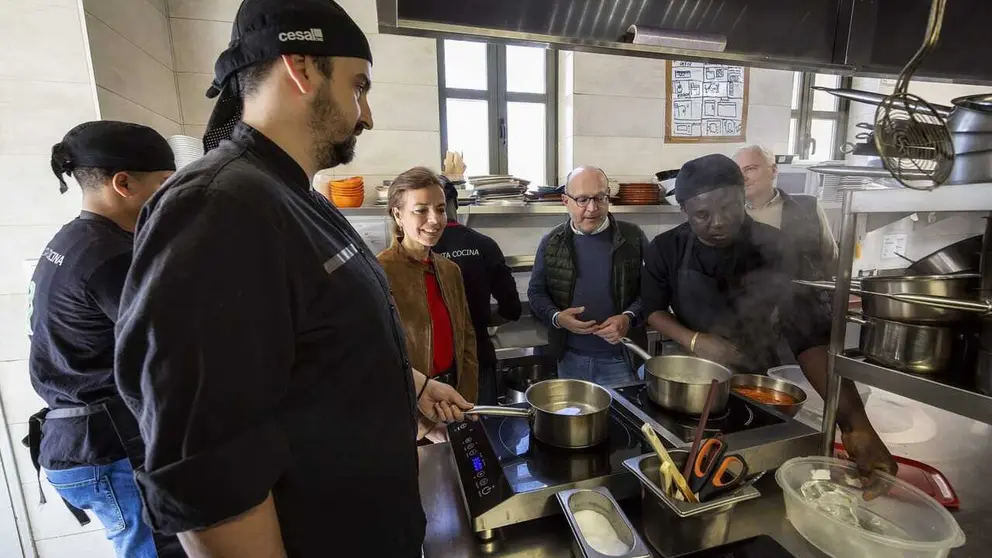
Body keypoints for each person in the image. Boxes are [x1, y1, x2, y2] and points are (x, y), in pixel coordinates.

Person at [113, 2, 472, 557]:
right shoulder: (217, 207)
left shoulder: (297, 197)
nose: (367, 114)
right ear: (301, 68)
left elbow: (320, 353)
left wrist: (414, 388)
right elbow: (209, 467)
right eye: (359, 88)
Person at [642, 154, 896, 496]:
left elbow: (808, 334)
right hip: (693, 379)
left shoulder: (774, 246)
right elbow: (653, 310)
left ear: (742, 198)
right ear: (684, 211)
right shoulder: (666, 248)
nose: (718, 222)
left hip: (758, 380)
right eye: (702, 215)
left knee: (755, 478)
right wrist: (695, 340)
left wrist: (854, 424)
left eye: (729, 208)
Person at [26, 121, 183, 557]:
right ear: (124, 183)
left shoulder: (74, 239)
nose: (170, 197)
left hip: (76, 439)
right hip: (106, 447)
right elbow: (171, 343)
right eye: (165, 184)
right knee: (154, 551)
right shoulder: (111, 256)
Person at [378, 167, 479, 442]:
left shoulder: (450, 270)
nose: (434, 220)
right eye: (420, 210)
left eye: (440, 209)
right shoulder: (378, 272)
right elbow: (378, 357)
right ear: (398, 215)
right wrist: (421, 424)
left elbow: (467, 340)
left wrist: (464, 400)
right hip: (409, 407)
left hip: (450, 401)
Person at [528, 166, 649, 386]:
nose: (592, 208)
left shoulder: (633, 238)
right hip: (570, 358)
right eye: (582, 199)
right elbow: (536, 293)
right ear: (565, 201)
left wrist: (628, 317)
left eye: (600, 198)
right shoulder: (552, 242)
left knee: (623, 419)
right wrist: (558, 318)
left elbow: (651, 291)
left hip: (621, 359)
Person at [432, 176, 522, 405]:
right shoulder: (484, 244)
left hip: (432, 367)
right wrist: (486, 321)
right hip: (478, 353)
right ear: (457, 203)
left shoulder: (418, 250)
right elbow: (512, 307)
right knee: (484, 429)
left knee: (442, 436)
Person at [734, 144, 838, 279]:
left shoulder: (808, 207)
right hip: (750, 298)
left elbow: (831, 259)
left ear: (774, 170)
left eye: (750, 169)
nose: (743, 178)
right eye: (738, 173)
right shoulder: (729, 217)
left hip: (805, 295)